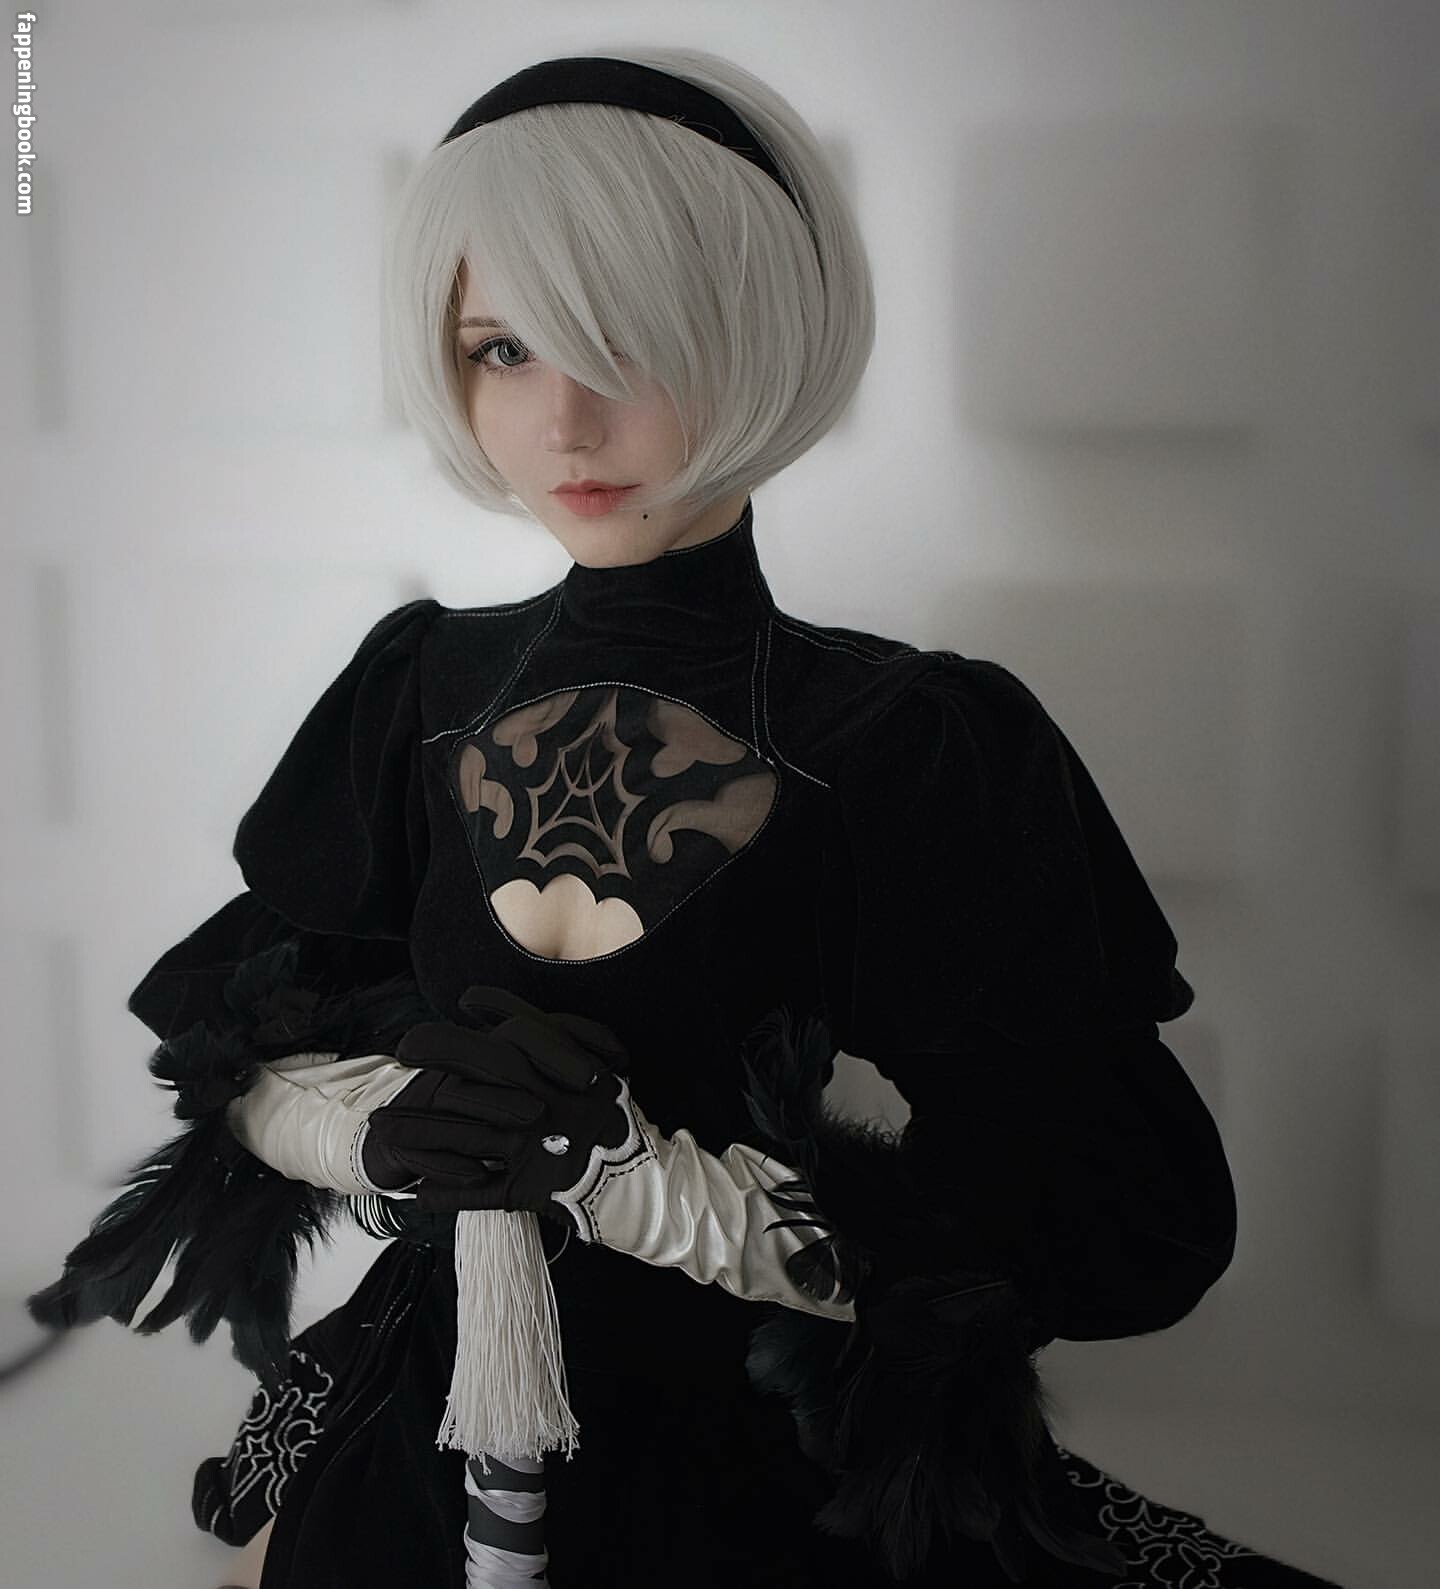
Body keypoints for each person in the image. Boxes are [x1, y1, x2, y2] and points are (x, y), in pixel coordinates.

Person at [28, 45, 1346, 1589]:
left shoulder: (904, 744)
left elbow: (1120, 1217)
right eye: (503, 348)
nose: (566, 421)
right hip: (433, 1413)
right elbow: (234, 1025)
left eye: (629, 345)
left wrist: (662, 1192)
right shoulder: (422, 690)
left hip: (752, 1460)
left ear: (758, 331)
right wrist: (384, 1125)